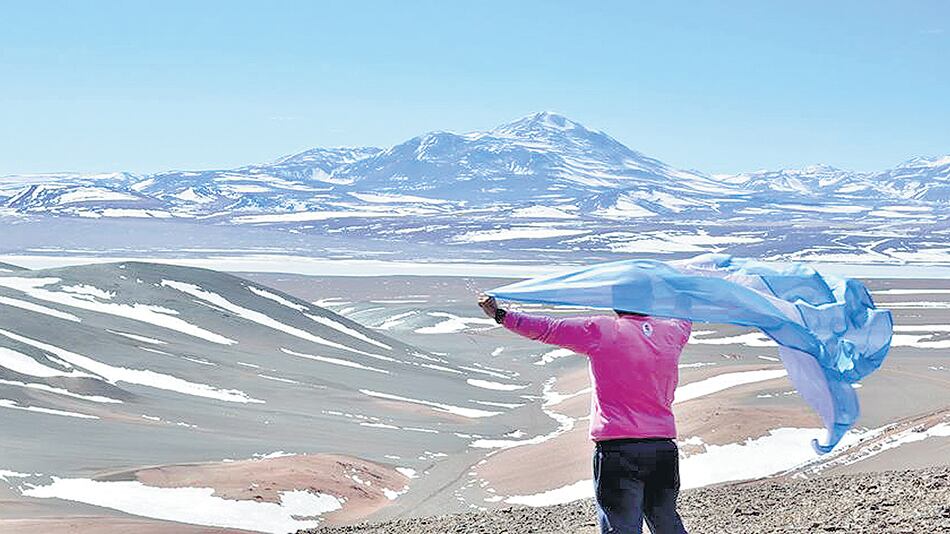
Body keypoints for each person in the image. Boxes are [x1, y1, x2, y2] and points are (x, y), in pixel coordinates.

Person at [478, 294, 691, 534]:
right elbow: (685, 319)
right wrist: (686, 293)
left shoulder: (602, 330)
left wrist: (500, 315)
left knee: (621, 527)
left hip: (619, 451)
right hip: (663, 449)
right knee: (667, 524)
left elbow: (547, 329)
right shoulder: (671, 333)